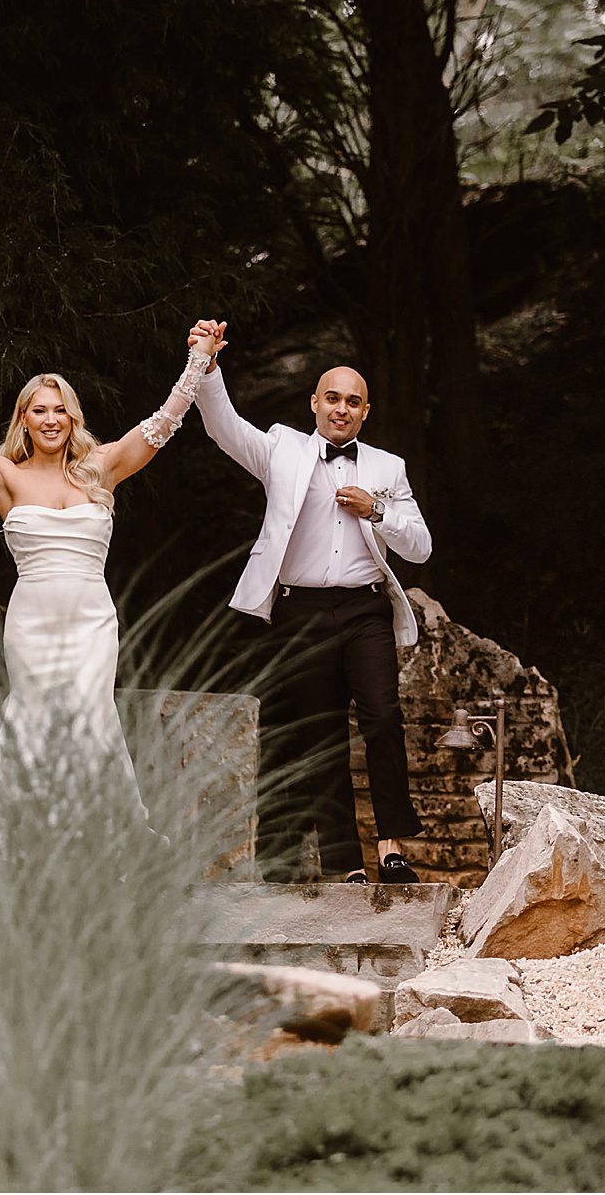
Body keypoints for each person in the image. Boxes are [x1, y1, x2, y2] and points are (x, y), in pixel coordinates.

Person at [0, 331, 220, 837]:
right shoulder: (4, 476)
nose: (50, 419)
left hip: (92, 620)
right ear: (24, 421)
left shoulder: (102, 468)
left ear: (73, 417)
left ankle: (96, 844)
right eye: (39, 411)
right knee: (34, 719)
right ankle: (26, 842)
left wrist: (198, 361)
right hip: (31, 621)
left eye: (59, 410)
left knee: (92, 717)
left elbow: (164, 422)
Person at [190, 320, 432, 885]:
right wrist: (207, 365)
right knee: (321, 735)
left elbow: (420, 547)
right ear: (314, 403)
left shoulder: (386, 468)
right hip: (300, 612)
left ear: (365, 412)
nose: (342, 408)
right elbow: (223, 426)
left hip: (365, 608)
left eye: (353, 401)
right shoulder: (282, 450)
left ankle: (393, 847)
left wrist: (378, 511)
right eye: (332, 398)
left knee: (383, 718)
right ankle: (346, 862)